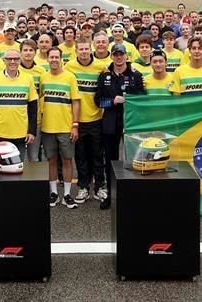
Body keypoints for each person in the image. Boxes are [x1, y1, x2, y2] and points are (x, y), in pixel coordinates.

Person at [95, 42, 146, 210]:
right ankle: (111, 194)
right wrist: (112, 101)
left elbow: (142, 98)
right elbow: (98, 101)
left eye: (121, 54)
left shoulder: (135, 75)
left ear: (126, 56)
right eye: (115, 54)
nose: (118, 57)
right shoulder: (104, 75)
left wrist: (129, 100)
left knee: (134, 159)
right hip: (110, 123)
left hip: (130, 123)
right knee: (110, 160)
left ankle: (133, 194)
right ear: (112, 56)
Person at [65, 37, 109, 204]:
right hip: (77, 120)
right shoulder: (69, 67)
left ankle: (99, 187)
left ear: (91, 49)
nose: (83, 52)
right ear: (76, 51)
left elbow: (106, 90)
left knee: (98, 155)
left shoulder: (100, 67)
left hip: (96, 118)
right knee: (81, 156)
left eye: (86, 49)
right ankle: (83, 187)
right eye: (80, 49)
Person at [39, 47, 81, 208]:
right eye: (51, 57)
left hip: (65, 126)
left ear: (61, 59)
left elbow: (76, 102)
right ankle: (54, 193)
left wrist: (75, 125)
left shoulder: (70, 77)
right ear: (47, 59)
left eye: (57, 57)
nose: (54, 60)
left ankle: (68, 194)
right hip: (47, 127)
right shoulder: (43, 77)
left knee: (67, 160)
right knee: (51, 160)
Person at [0, 49, 37, 157]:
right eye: (9, 59)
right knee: (0, 167)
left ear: (20, 60)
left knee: (18, 166)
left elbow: (33, 108)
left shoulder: (28, 79)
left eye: (16, 59)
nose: (12, 61)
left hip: (21, 133)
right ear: (4, 60)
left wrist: (31, 131)